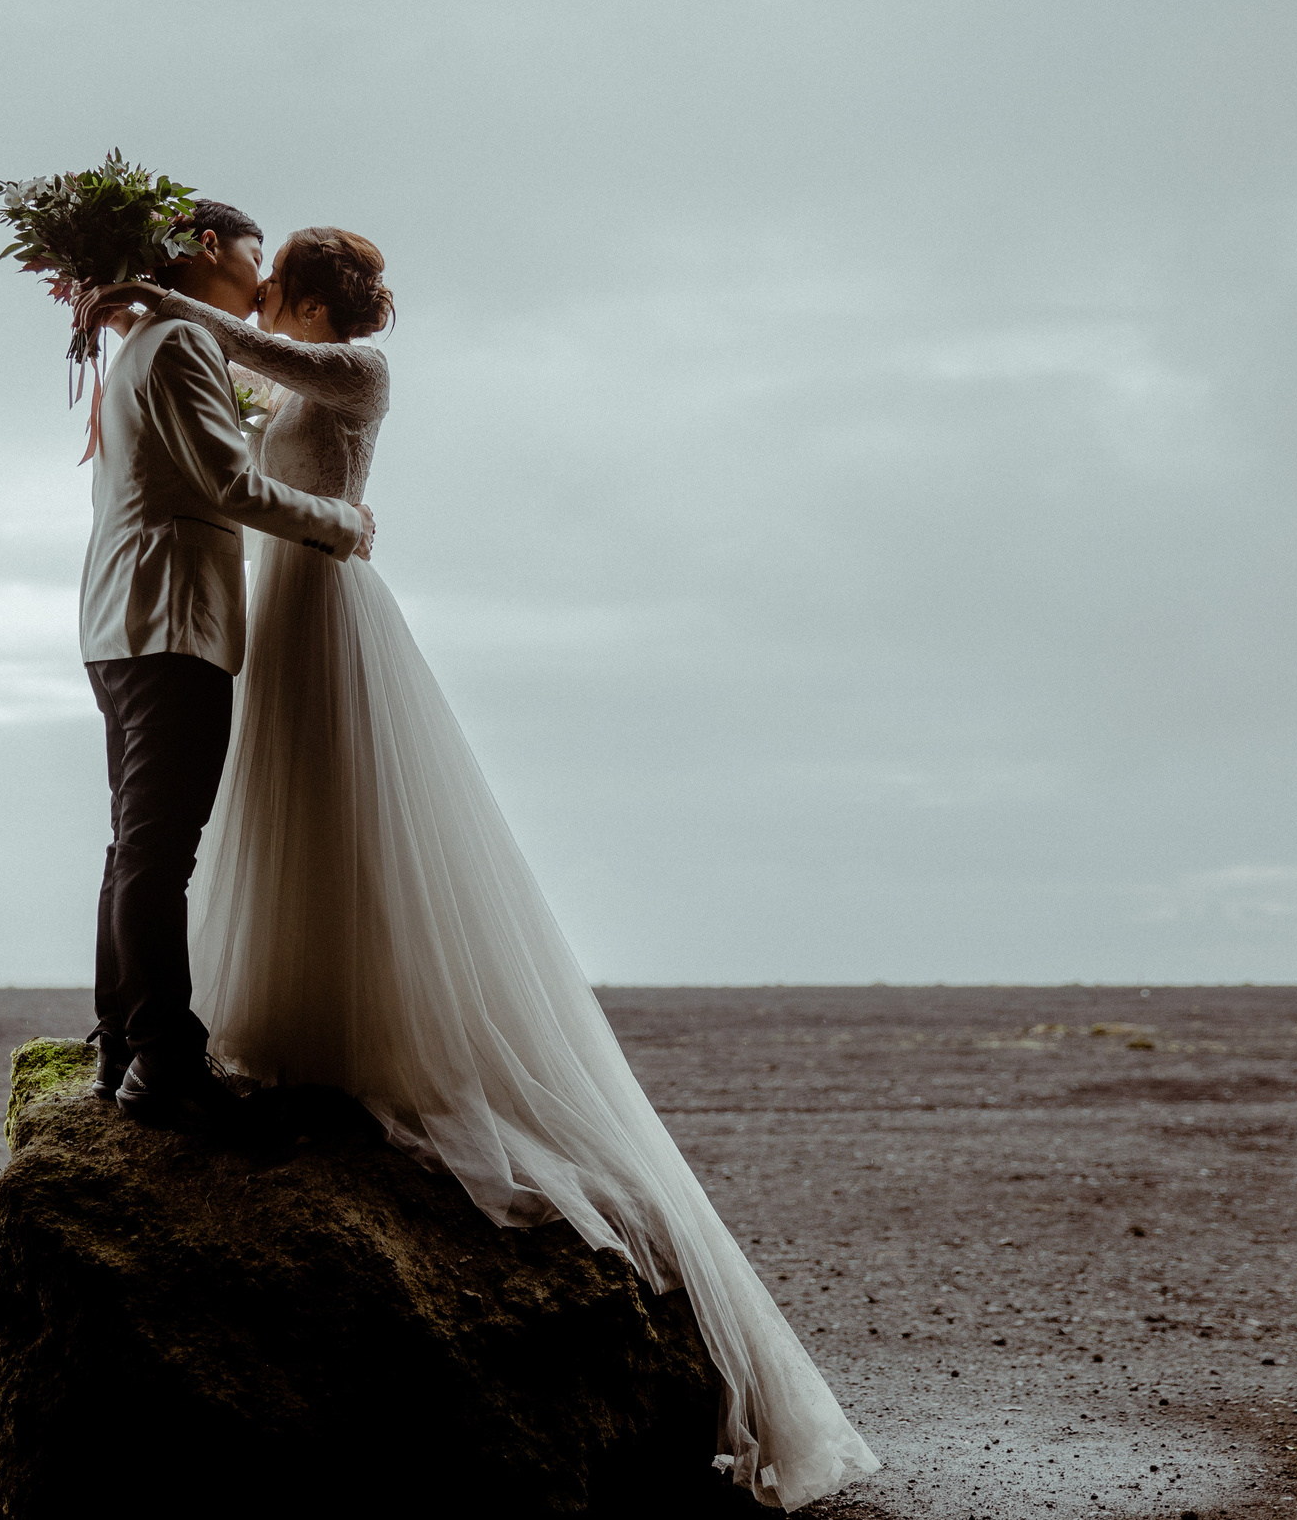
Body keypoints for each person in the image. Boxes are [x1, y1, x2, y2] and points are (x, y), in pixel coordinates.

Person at [78, 230, 880, 1510]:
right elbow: (209, 424)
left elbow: (240, 360)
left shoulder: (357, 372)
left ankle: (301, 1022)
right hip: (277, 597)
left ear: (311, 294)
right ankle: (236, 1020)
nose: (263, 293)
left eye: (277, 278)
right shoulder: (252, 367)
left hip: (328, 601)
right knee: (241, 821)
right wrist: (140, 315)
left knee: (331, 813)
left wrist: (151, 298)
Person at [74, 201, 376, 1132]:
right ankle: (161, 1058)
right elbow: (227, 483)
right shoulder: (176, 343)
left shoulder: (162, 341)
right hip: (171, 620)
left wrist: (138, 306)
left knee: (139, 845)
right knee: (159, 851)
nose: (263, 274)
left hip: (137, 617)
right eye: (256, 251)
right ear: (213, 247)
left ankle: (126, 1042)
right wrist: (345, 526)